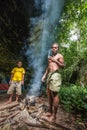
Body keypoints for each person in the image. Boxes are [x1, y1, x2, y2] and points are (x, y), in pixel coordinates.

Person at [41, 43, 65, 122]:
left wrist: (55, 61)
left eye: (55, 47)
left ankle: (54, 115)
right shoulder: (50, 57)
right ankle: (50, 111)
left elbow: (63, 66)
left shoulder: (60, 56)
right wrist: (44, 75)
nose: (54, 49)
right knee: (49, 94)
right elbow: (48, 67)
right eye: (53, 47)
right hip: (49, 75)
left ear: (58, 48)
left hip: (56, 74)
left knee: (54, 94)